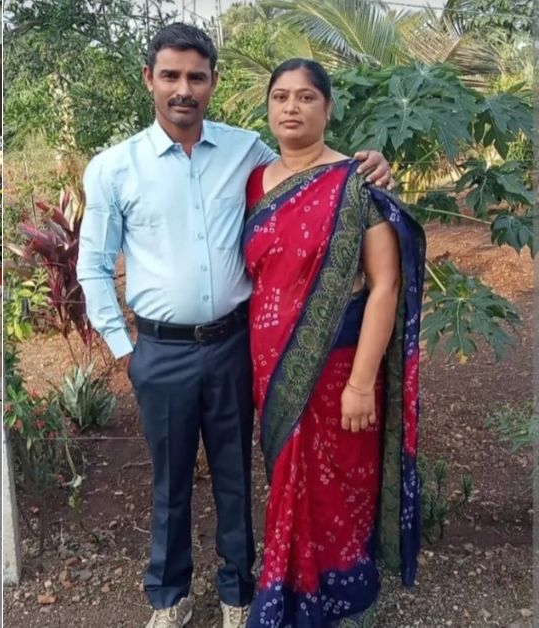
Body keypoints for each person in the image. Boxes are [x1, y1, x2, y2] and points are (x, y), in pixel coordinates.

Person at [75, 24, 392, 628]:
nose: (183, 89)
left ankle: (238, 591)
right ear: (150, 80)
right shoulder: (115, 167)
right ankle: (169, 598)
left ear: (213, 84)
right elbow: (92, 266)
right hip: (160, 352)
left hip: (234, 345)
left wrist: (369, 164)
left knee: (235, 476)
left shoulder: (247, 152)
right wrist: (124, 349)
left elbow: (314, 174)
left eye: (196, 77)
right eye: (170, 75)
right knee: (168, 484)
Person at [242, 59, 423, 628]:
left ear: (328, 107)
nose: (291, 108)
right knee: (287, 478)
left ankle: (344, 599)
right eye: (280, 97)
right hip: (269, 363)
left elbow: (384, 285)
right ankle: (287, 588)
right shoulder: (255, 180)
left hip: (338, 365)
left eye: (305, 97)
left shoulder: (357, 181)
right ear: (268, 107)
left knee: (339, 477)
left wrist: (362, 383)